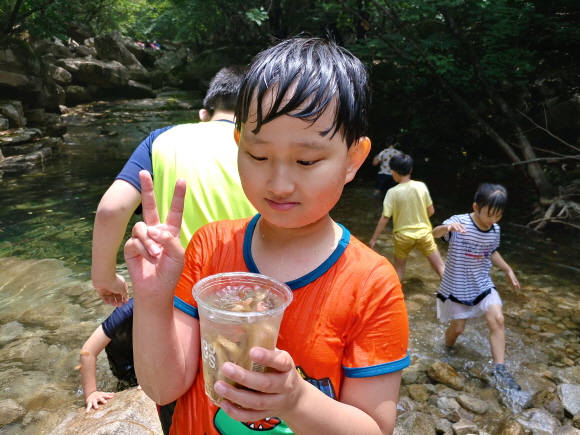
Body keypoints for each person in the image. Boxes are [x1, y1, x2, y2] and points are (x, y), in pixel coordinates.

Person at [125, 37, 410, 435]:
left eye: (306, 161)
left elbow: (375, 430)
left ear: (354, 160)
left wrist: (296, 400)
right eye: (258, 156)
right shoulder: (210, 247)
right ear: (239, 144)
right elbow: (161, 387)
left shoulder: (371, 285)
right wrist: (152, 299)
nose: (278, 183)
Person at [91, 66, 256, 307]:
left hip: (176, 292)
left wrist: (104, 278)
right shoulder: (264, 148)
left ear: (203, 114)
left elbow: (111, 209)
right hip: (251, 295)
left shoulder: (161, 140)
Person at [432, 183, 521, 391]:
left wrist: (508, 270)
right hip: (456, 287)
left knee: (498, 319)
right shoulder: (459, 222)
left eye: (498, 215)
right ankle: (447, 348)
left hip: (482, 284)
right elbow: (434, 233)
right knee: (458, 329)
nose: (493, 220)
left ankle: (499, 368)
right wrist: (447, 228)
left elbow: (491, 251)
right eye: (489, 214)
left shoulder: (494, 230)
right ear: (476, 207)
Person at [369, 153, 445, 282]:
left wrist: (373, 239)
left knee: (399, 271)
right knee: (440, 266)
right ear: (410, 170)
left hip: (403, 237)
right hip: (423, 234)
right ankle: (453, 297)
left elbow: (385, 218)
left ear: (393, 172)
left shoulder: (392, 192)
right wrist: (418, 218)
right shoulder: (421, 186)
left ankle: (394, 300)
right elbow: (431, 211)